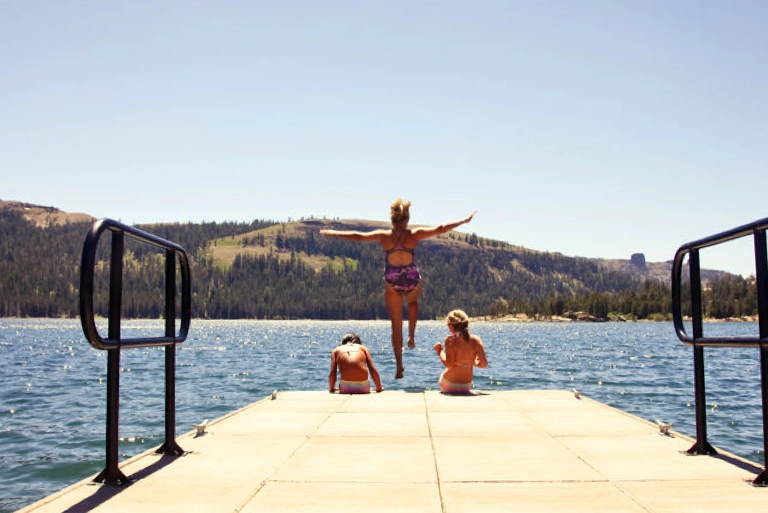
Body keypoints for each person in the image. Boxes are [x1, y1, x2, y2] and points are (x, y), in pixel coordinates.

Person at [321, 199, 476, 379]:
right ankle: (411, 335)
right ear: (407, 219)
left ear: (392, 219)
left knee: (396, 326)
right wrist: (464, 220)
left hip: (392, 279)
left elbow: (358, 236)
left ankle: (399, 365)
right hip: (410, 276)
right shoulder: (414, 234)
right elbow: (440, 228)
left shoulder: (385, 236)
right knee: (412, 301)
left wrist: (334, 233)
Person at [433, 309, 488, 394]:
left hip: (449, 384)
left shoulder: (450, 340)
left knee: (444, 374)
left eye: (448, 324)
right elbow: (484, 364)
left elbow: (449, 364)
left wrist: (439, 351)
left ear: (451, 326)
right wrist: (471, 361)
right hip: (466, 385)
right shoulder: (476, 340)